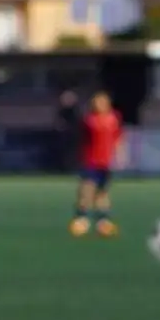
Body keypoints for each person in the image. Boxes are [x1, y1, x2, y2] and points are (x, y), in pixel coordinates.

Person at [71, 92, 123, 237]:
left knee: (102, 193)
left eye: (102, 102)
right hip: (90, 161)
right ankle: (81, 219)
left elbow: (118, 137)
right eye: (96, 102)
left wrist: (120, 155)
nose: (99, 104)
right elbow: (82, 139)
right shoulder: (89, 120)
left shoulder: (114, 119)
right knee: (86, 190)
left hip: (105, 163)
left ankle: (103, 223)